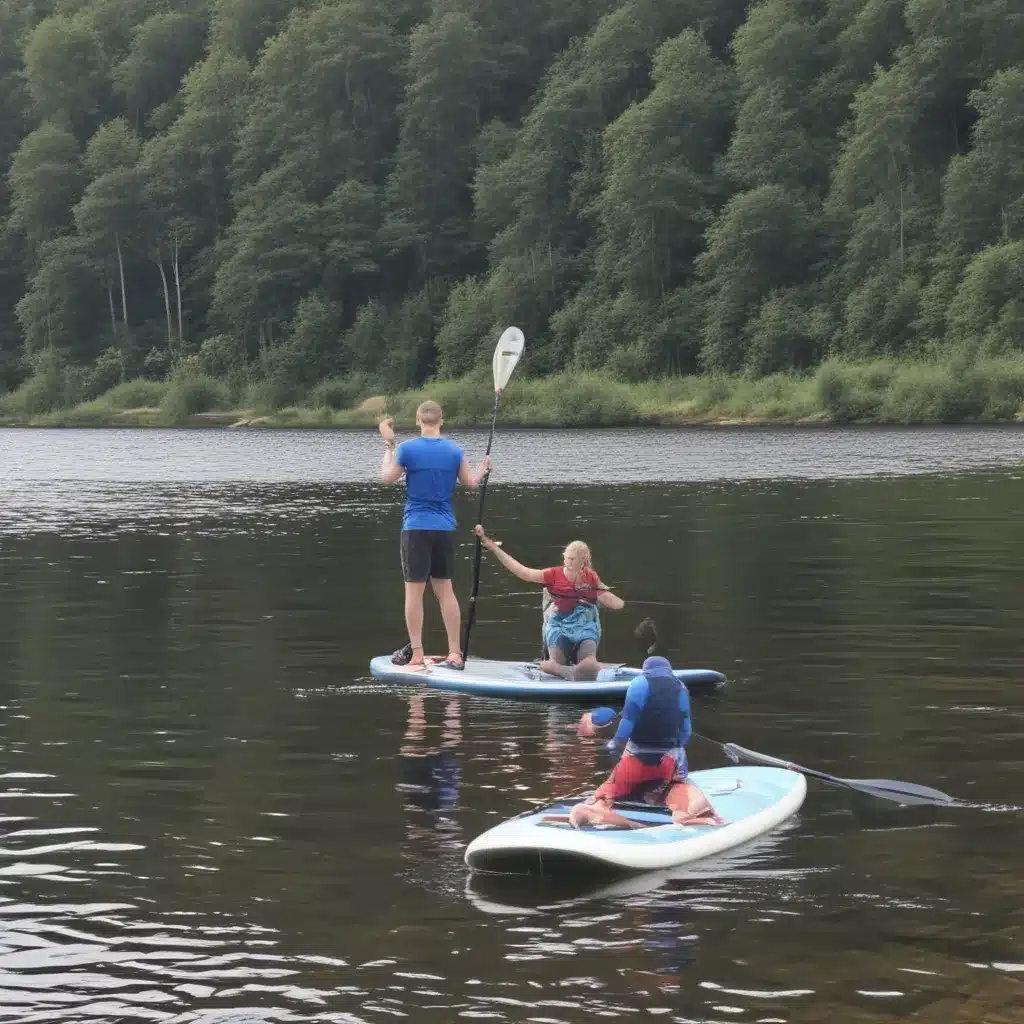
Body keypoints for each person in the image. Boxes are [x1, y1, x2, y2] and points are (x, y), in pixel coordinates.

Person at [380, 402, 489, 669]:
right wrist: (483, 469)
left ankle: (417, 654)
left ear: (418, 420)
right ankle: (454, 653)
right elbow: (471, 484)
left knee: (414, 593)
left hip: (416, 527)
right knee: (445, 589)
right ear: (442, 420)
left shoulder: (406, 449)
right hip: (443, 528)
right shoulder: (454, 451)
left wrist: (388, 446)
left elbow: (386, 478)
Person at [568, 655, 724, 829]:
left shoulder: (639, 683)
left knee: (606, 797)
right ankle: (690, 814)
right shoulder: (681, 687)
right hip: (669, 764)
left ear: (645, 670)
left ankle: (592, 809)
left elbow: (628, 722)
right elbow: (685, 733)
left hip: (634, 761)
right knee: (682, 789)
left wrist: (616, 744)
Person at [473, 525, 624, 679]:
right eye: (567, 558)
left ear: (583, 561)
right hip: (560, 624)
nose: (568, 562)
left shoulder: (591, 577)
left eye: (573, 559)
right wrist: (493, 548)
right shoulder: (553, 575)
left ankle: (581, 668)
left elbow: (617, 604)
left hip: (584, 625)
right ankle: (565, 671)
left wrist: (601, 594)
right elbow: (523, 572)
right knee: (556, 661)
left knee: (589, 663)